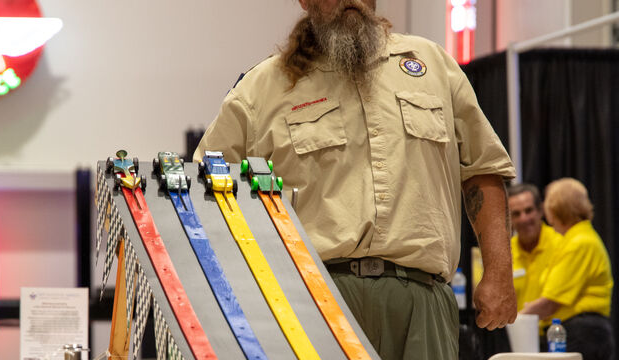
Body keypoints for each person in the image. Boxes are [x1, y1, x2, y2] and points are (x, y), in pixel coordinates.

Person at [193, 0, 517, 358]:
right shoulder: (263, 87)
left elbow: (482, 169)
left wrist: (499, 272)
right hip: (314, 302)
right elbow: (207, 187)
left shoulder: (432, 65)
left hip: (423, 305)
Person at [520, 178, 614, 359]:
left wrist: (514, 318)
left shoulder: (578, 243)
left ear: (556, 209)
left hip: (582, 334)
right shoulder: (577, 239)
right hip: (583, 333)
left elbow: (551, 301)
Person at [508, 183, 562, 332]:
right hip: (517, 338)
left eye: (528, 210)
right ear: (509, 219)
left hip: (557, 337)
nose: (524, 219)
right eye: (516, 214)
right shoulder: (504, 254)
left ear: (541, 211)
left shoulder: (562, 244)